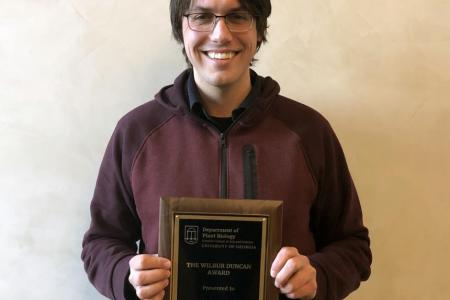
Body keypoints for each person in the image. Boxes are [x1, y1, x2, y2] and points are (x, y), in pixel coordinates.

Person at [81, 0, 372, 299]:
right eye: (202, 16)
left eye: (237, 16)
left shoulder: (309, 131)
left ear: (259, 30)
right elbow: (100, 242)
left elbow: (352, 246)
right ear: (180, 28)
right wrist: (126, 276)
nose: (220, 34)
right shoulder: (137, 131)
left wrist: (318, 276)